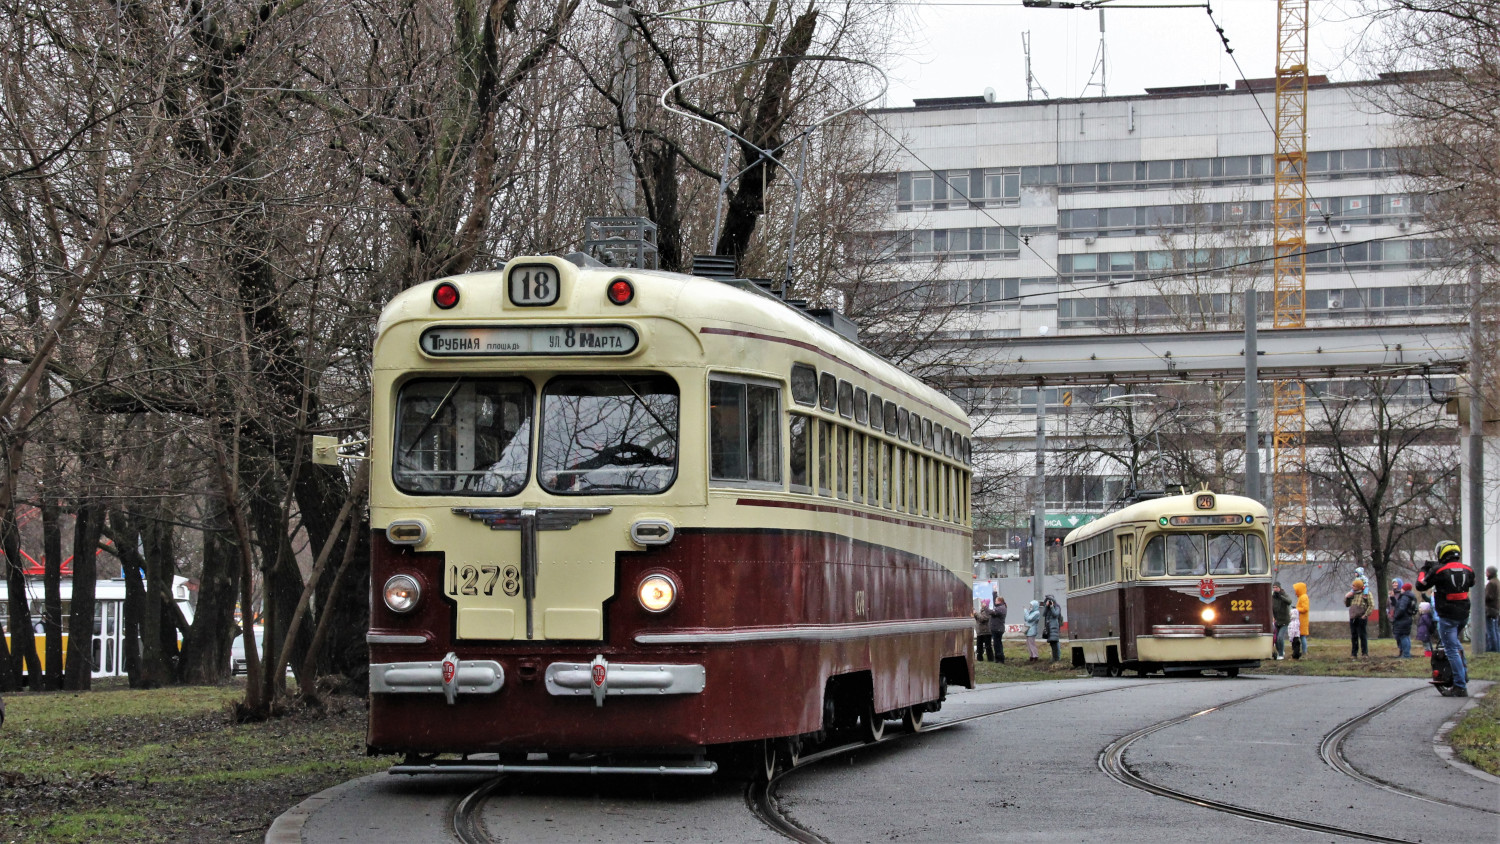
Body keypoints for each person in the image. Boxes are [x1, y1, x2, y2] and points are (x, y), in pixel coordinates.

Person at [1416, 540, 1475, 697]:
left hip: (1447, 616)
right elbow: (1472, 582)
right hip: (1463, 614)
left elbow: (1420, 585)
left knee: (1451, 649)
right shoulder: (1468, 569)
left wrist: (1424, 570)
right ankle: (1463, 674)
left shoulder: (1438, 570)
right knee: (1455, 644)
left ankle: (1460, 685)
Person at [1345, 578, 1373, 658]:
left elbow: (1371, 605)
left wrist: (1365, 615)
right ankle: (1354, 653)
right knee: (1354, 636)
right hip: (1353, 617)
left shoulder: (1366, 594)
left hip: (1361, 617)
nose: (1352, 587)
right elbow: (1347, 605)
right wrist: (1347, 597)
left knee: (1362, 635)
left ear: (1358, 586)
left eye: (1354, 585)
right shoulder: (1352, 594)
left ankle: (1364, 653)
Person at [1391, 581, 1417, 658]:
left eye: (1402, 588)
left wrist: (1396, 616)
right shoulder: (1409, 596)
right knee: (1405, 636)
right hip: (1406, 619)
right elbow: (1398, 605)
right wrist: (1392, 598)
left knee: (1403, 636)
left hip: (1403, 620)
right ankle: (1405, 653)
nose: (1401, 589)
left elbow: (1401, 608)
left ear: (1405, 589)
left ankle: (1406, 654)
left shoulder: (1405, 597)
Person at [1271, 582, 1292, 660]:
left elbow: (1289, 601)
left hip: (1284, 621)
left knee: (1280, 637)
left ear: (1279, 588)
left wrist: (1281, 597)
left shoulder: (1284, 594)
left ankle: (1281, 655)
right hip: (1277, 621)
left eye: (1276, 587)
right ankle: (1280, 651)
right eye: (1274, 587)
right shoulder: (1272, 597)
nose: (1275, 589)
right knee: (1276, 639)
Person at [1042, 595, 1063, 662]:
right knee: (1051, 642)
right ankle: (1054, 658)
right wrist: (1046, 606)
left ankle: (1057, 658)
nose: (1050, 602)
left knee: (1055, 642)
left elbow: (1055, 614)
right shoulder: (1048, 608)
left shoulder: (1057, 607)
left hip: (1054, 627)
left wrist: (1051, 607)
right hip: (1049, 627)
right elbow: (1044, 614)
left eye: (1050, 601)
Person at [1294, 582, 1311, 657]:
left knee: (1302, 636)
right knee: (1301, 636)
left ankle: (1304, 651)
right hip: (1300, 619)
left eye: (1296, 590)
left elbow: (1305, 608)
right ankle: (1303, 651)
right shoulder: (1301, 597)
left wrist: (1296, 609)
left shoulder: (1303, 597)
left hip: (1302, 620)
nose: (1295, 592)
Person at [990, 596, 1008, 663]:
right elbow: (995, 606)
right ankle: (998, 658)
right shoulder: (1000, 607)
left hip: (998, 629)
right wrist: (994, 593)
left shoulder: (1000, 608)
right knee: (997, 644)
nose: (995, 602)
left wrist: (985, 607)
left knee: (998, 644)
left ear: (1000, 601)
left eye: (996, 600)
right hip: (997, 628)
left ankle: (1000, 659)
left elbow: (991, 612)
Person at [1486, 566, 1499, 654]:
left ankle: (1493, 649)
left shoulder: (1491, 583)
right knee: (1496, 630)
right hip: (1496, 609)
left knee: (1491, 631)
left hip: (1490, 609)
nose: (1486, 574)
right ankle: (1497, 648)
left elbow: (1488, 596)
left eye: (1486, 572)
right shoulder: (1497, 582)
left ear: (1489, 573)